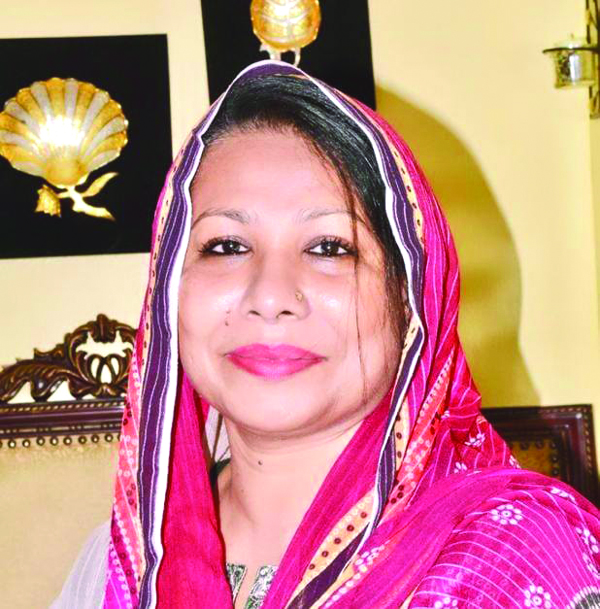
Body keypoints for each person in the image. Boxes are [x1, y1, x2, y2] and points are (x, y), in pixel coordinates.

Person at [53, 61, 600, 609]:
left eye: (329, 248)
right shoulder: (122, 567)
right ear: (167, 289)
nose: (270, 296)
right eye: (226, 246)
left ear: (410, 297)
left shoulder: (513, 559)